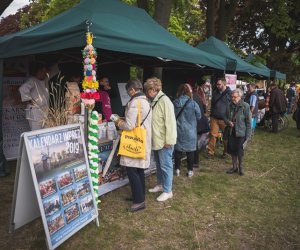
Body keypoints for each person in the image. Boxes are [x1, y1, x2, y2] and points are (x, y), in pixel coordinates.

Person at [114, 79, 152, 212]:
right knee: (139, 169)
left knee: (132, 170)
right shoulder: (146, 101)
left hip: (134, 140)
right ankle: (140, 195)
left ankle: (139, 201)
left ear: (132, 90)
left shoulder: (135, 103)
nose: (128, 94)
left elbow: (129, 125)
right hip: (143, 139)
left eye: (128, 91)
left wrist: (118, 122)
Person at [144, 77, 177, 202]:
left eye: (148, 90)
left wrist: (169, 141)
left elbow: (171, 123)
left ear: (153, 89)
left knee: (166, 166)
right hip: (157, 140)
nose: (147, 93)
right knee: (159, 165)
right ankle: (160, 184)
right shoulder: (155, 100)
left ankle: (168, 191)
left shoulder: (165, 101)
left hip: (164, 142)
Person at [19, 62, 59, 130]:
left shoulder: (45, 80)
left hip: (44, 111)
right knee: (36, 132)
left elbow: (51, 72)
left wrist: (58, 63)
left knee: (46, 131)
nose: (45, 73)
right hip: (35, 112)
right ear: (39, 71)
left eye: (46, 71)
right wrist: (29, 99)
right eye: (43, 71)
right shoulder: (32, 80)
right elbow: (23, 88)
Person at [173, 84, 201, 177]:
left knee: (178, 150)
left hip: (178, 130)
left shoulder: (175, 103)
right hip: (191, 131)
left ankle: (177, 169)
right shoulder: (193, 103)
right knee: (190, 151)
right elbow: (199, 116)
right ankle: (190, 171)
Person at [225, 88, 252, 176]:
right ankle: (234, 167)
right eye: (232, 97)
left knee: (239, 151)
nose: (233, 98)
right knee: (232, 150)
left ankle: (241, 168)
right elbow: (225, 117)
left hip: (241, 133)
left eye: (235, 97)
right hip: (231, 131)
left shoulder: (245, 106)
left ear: (240, 97)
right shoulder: (229, 106)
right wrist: (228, 122)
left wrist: (248, 136)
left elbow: (248, 122)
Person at [206, 78, 231, 158]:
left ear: (224, 84)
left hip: (225, 119)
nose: (217, 86)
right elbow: (211, 103)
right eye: (217, 84)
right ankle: (210, 152)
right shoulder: (215, 92)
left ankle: (226, 152)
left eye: (219, 84)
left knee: (226, 137)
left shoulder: (230, 93)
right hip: (214, 117)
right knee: (212, 135)